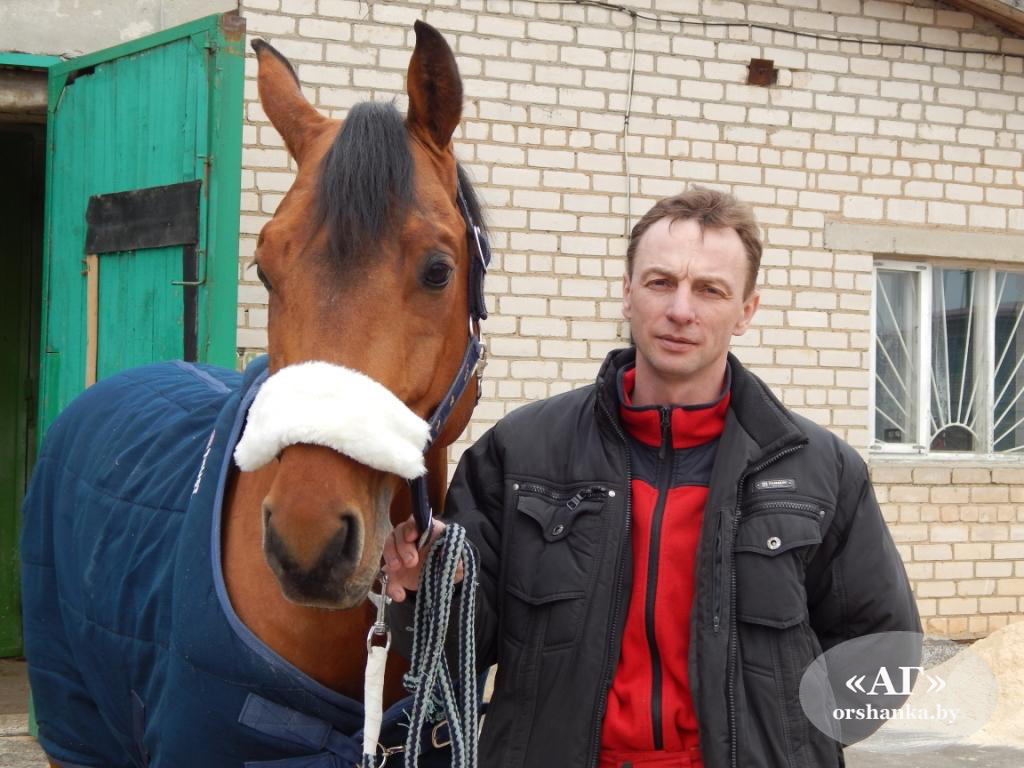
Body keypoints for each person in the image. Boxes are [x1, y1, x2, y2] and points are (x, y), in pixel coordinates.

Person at [384, 187, 921, 768]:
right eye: (661, 282)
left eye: (710, 290)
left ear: (746, 310)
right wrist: (427, 586)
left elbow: (883, 652)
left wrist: (794, 740)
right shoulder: (520, 454)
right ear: (627, 293)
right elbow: (459, 654)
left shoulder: (819, 468)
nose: (681, 310)